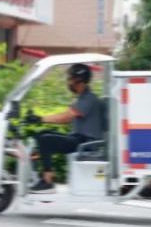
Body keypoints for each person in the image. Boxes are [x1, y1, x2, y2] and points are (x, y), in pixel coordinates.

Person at [26, 63, 104, 193]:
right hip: (79, 138)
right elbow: (65, 118)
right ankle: (39, 173)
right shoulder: (82, 98)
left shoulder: (89, 99)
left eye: (71, 78)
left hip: (86, 143)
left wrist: (40, 118)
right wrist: (40, 120)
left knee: (46, 140)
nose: (68, 82)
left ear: (79, 80)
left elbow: (66, 117)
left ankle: (47, 182)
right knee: (41, 135)